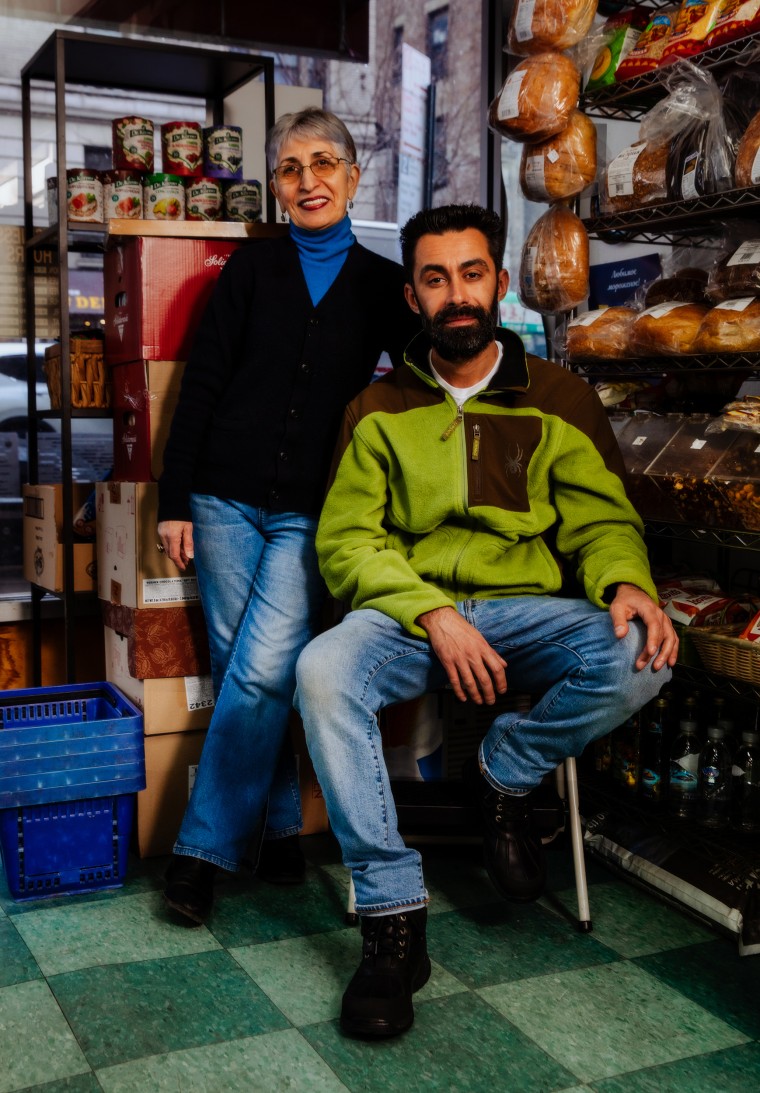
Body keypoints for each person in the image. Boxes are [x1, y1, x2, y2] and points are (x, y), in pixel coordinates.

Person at [294, 203, 679, 1039]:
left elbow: (603, 522)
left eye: (472, 274)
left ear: (500, 283)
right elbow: (348, 541)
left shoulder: (560, 396)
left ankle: (509, 766)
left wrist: (626, 583)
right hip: (407, 612)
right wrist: (433, 612)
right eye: (436, 278)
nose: (456, 294)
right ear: (413, 296)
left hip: (529, 610)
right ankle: (393, 922)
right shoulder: (377, 408)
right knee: (321, 670)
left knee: (647, 653)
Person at [156, 108, 419, 924]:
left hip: (310, 510)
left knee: (265, 668)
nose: (309, 180)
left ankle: (200, 852)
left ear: (352, 177)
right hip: (222, 497)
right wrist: (173, 501)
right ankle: (273, 832)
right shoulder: (249, 272)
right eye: (291, 168)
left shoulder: (383, 286)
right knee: (248, 665)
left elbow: (424, 371)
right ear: (276, 185)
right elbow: (200, 386)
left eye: (324, 163)